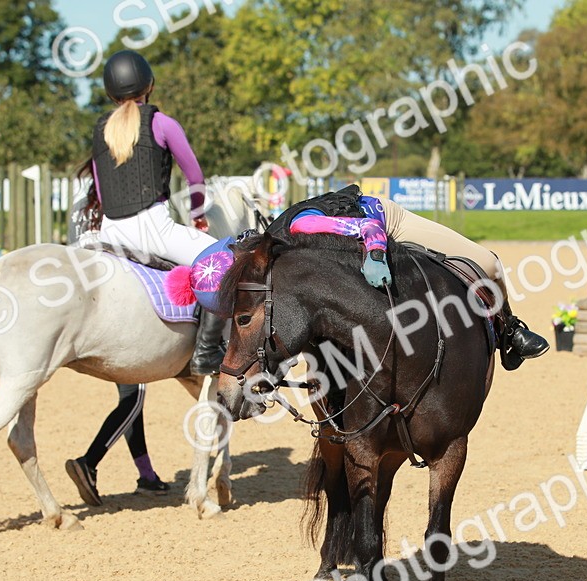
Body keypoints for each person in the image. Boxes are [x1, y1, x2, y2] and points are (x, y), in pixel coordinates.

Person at [65, 49, 222, 505]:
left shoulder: (101, 129)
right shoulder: (162, 123)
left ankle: (138, 466)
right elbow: (194, 175)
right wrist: (197, 218)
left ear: (110, 93)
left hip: (106, 234)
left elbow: (97, 185)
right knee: (219, 261)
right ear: (148, 86)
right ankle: (208, 352)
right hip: (153, 228)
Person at [166, 185, 550, 369]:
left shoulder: (304, 228)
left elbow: (368, 229)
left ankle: (510, 331)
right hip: (355, 244)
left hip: (384, 222)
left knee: (488, 262)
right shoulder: (270, 266)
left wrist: (377, 257)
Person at [63, 167, 170, 506]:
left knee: (131, 399)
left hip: (82, 270)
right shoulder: (124, 190)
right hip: (116, 280)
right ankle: (88, 462)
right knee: (133, 398)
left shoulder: (85, 187)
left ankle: (148, 475)